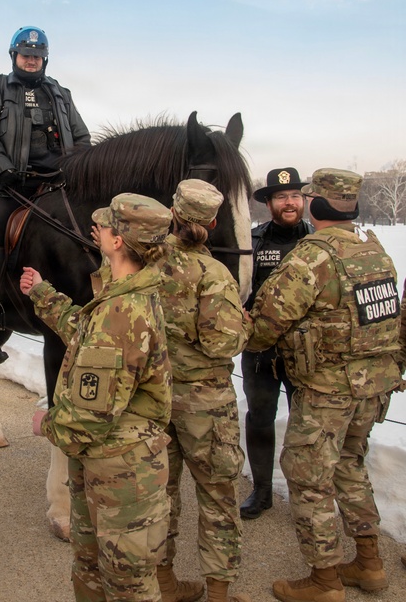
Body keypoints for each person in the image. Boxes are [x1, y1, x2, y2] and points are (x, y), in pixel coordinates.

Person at [248, 168, 403, 602]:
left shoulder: (311, 257)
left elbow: (265, 326)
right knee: (350, 465)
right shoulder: (375, 252)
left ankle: (325, 580)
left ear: (316, 204)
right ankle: (369, 562)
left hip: (327, 392)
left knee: (308, 478)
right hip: (372, 388)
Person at [20, 193, 172, 601]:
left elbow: (89, 417)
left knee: (128, 586)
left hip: (122, 474)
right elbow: (86, 333)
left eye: (103, 227)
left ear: (118, 241)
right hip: (107, 465)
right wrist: (43, 294)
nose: (95, 232)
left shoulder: (122, 313)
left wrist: (48, 423)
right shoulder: (124, 294)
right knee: (90, 570)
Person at [0, 25, 91, 372]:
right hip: (8, 180)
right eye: (26, 55)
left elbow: (82, 137)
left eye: (37, 56)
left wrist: (80, 169)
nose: (31, 60)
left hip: (54, 180)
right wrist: (2, 168)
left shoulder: (61, 93)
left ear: (45, 59)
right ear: (14, 56)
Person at [157, 179, 252, 602]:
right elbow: (222, 343)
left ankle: (164, 582)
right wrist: (244, 325)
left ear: (172, 213)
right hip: (206, 405)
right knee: (217, 498)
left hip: (154, 397)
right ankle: (219, 593)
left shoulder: (143, 263)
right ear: (213, 223)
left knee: (160, 494)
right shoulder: (214, 275)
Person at [240, 167, 313, 519]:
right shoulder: (253, 242)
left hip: (308, 355)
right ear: (268, 204)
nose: (290, 202)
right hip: (261, 353)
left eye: (295, 196)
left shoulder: (317, 241)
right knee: (260, 418)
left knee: (308, 424)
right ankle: (262, 491)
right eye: (281, 197)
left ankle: (306, 493)